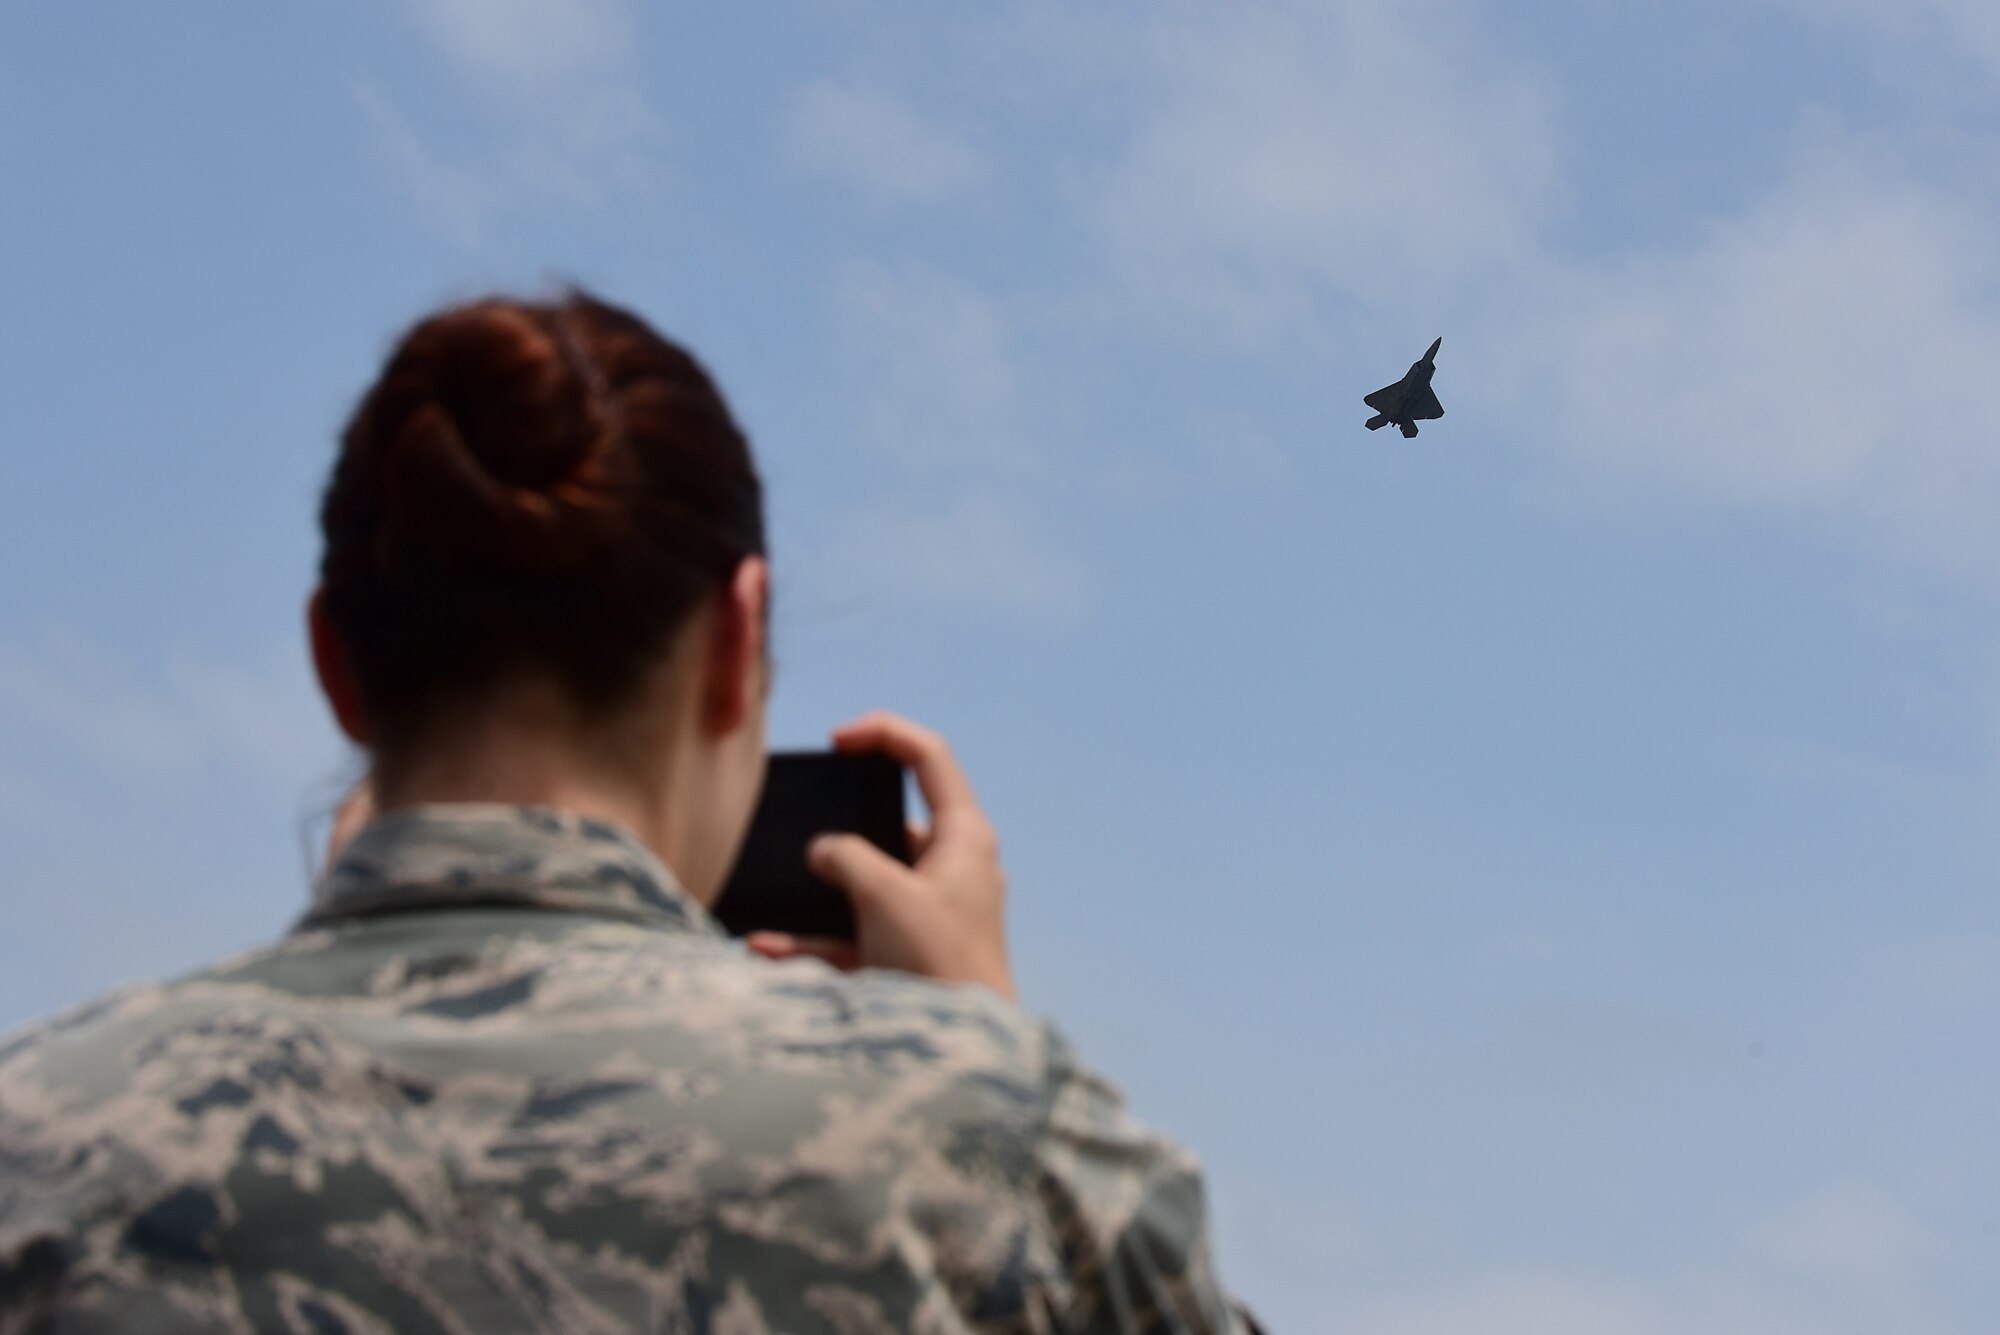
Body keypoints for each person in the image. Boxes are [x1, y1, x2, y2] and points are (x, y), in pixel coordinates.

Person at [0, 291, 1260, 1332]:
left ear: (335, 664)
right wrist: (980, 1045)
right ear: (736, 644)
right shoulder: (974, 1136)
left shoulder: (38, 1136)